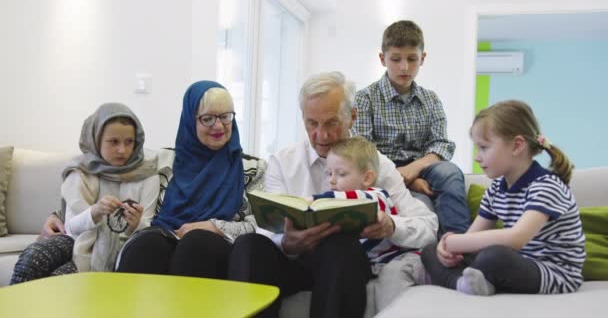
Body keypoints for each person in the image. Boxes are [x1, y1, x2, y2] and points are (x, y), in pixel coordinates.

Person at [228, 71, 437, 318]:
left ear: (352, 117)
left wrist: (391, 226)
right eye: (311, 123)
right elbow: (267, 229)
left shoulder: (376, 165)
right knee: (248, 246)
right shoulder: (283, 162)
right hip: (293, 262)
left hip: (343, 266)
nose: (321, 135)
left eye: (331, 123)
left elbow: (428, 227)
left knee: (338, 245)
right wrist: (287, 243)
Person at [421, 100, 586, 295]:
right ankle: (464, 283)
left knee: (493, 257)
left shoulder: (547, 186)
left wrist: (455, 243)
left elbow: (517, 238)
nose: (477, 157)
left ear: (517, 146)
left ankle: (468, 280)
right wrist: (448, 247)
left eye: (483, 147)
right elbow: (471, 239)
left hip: (553, 272)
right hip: (520, 261)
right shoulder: (496, 189)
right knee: (429, 250)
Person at [115, 81, 256, 279]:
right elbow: (110, 178)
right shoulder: (162, 162)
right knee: (147, 244)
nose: (218, 126)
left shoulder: (253, 169)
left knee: (196, 243)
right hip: (161, 237)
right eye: (207, 118)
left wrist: (215, 226)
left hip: (215, 249)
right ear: (190, 121)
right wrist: (59, 215)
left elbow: (264, 226)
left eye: (225, 117)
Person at [10, 103, 159, 283]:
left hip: (119, 249)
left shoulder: (147, 174)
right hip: (76, 240)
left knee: (57, 283)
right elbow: (71, 227)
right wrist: (94, 212)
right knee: (31, 259)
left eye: (129, 142)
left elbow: (148, 231)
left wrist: (135, 224)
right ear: (96, 140)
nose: (122, 150)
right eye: (114, 142)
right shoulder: (79, 171)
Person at [352, 20, 469, 236]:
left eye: (412, 59)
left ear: (422, 58)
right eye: (396, 59)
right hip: (384, 170)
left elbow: (441, 145)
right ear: (382, 59)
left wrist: (414, 170)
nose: (404, 67)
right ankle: (438, 248)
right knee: (423, 205)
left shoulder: (431, 99)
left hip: (424, 166)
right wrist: (407, 180)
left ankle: (459, 241)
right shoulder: (364, 98)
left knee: (450, 172)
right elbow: (364, 153)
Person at [313, 136, 427, 311]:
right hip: (376, 261)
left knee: (391, 290)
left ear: (367, 178)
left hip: (401, 257)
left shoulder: (373, 196)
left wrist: (312, 202)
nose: (332, 181)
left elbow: (344, 198)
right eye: (329, 173)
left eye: (341, 174)